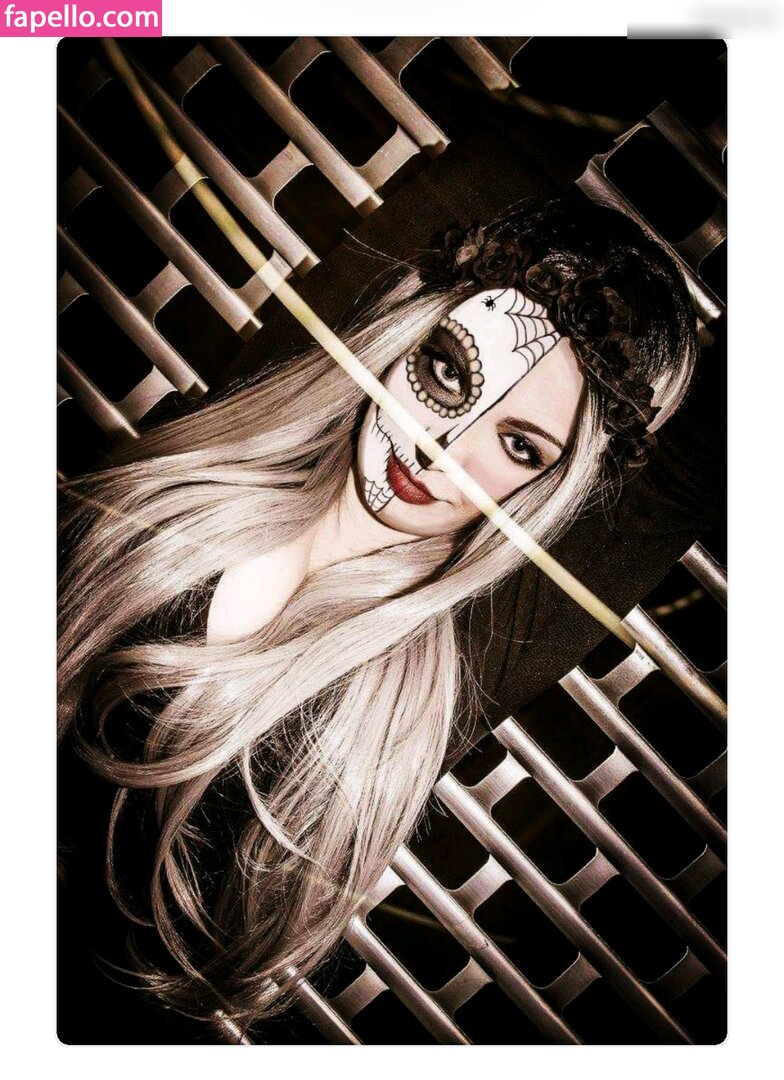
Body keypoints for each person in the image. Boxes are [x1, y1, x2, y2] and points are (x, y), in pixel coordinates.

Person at [58, 195, 699, 1034]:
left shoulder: (404, 706)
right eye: (448, 373)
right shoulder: (178, 492)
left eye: (518, 446)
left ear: (548, 488)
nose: (441, 449)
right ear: (402, 338)